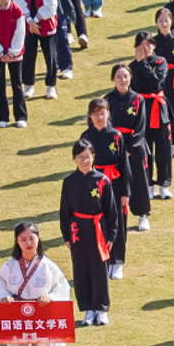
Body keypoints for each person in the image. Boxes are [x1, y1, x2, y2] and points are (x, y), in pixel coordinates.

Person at [57, 138, 116, 325]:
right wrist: (66, 236)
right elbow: (64, 211)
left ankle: (102, 308)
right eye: (80, 157)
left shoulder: (103, 181)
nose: (84, 160)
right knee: (81, 269)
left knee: (99, 270)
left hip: (99, 229)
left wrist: (112, 235)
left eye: (87, 157)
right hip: (78, 231)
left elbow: (112, 210)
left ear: (93, 157)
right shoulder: (69, 182)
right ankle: (88, 308)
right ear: (74, 158)